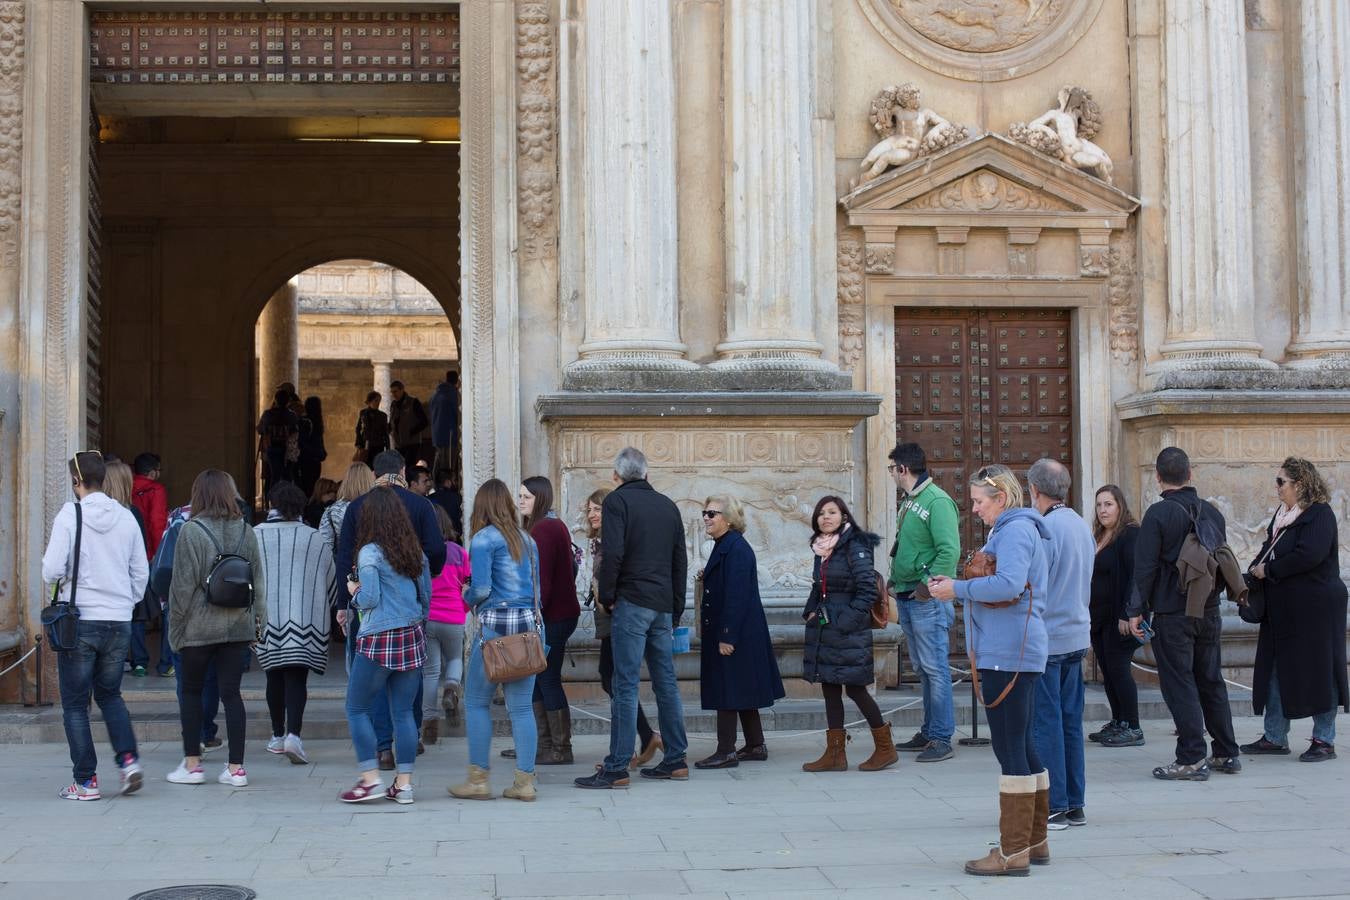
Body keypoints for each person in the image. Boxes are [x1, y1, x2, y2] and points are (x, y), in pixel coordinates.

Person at [928, 464, 1051, 876]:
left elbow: (1010, 584)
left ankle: (1013, 851)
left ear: (1001, 498)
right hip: (1014, 649)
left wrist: (957, 589)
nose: (975, 509)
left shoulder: (1015, 530)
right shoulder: (1015, 529)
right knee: (1023, 744)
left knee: (1010, 748)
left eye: (980, 501)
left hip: (1008, 652)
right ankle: (1034, 843)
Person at [574, 448, 690, 789]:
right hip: (662, 603)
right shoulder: (668, 505)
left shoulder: (617, 503)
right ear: (647, 474)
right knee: (665, 681)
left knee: (624, 684)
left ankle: (617, 766)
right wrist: (676, 606)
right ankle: (676, 759)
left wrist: (608, 596)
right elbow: (679, 559)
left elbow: (614, 553)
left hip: (632, 600)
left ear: (616, 476)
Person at [1126, 447, 1242, 781]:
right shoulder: (1212, 513)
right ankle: (1226, 752)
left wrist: (1136, 610)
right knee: (1211, 680)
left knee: (1180, 684)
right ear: (1190, 474)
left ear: (1158, 477)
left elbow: (1144, 568)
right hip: (1208, 610)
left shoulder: (1158, 514)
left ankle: (1191, 757)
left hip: (1172, 612)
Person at [42, 451, 150, 800]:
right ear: (103, 479)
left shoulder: (69, 515)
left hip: (81, 621)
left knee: (75, 704)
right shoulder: (125, 517)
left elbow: (51, 569)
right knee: (110, 695)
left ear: (76, 481)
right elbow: (140, 572)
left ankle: (86, 781)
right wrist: (125, 602)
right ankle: (129, 761)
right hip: (118, 620)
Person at [335, 450, 445, 769]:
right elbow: (436, 550)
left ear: (373, 473)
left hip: (369, 610)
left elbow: (344, 558)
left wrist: (345, 603)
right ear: (402, 469)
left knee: (373, 684)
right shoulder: (420, 504)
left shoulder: (357, 507)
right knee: (409, 678)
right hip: (409, 608)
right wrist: (423, 578)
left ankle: (382, 748)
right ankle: (411, 741)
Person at [1241, 457, 1349, 763]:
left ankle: (1324, 740)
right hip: (1285, 607)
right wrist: (1252, 570)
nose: (1276, 488)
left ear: (1299, 484)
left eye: (1281, 482)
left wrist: (1270, 570)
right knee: (1276, 668)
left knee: (1321, 671)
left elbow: (1310, 555)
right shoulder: (1284, 514)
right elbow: (1271, 546)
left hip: (1316, 607)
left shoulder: (1320, 514)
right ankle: (1275, 736)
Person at [166, 469, 266, 788]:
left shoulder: (191, 531)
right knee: (232, 695)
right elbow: (258, 584)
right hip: (237, 626)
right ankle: (236, 769)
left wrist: (175, 630)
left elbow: (181, 587)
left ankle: (193, 764)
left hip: (198, 626)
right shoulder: (246, 531)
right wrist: (257, 624)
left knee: (192, 692)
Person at [449, 478, 542, 802]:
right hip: (527, 629)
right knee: (521, 708)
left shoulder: (483, 539)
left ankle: (478, 780)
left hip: (495, 630)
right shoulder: (527, 540)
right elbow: (536, 593)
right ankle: (525, 782)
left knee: (475, 701)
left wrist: (465, 594)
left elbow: (483, 590)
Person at [339, 488, 432, 804]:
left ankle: (370, 779)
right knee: (404, 711)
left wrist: (353, 589)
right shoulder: (414, 551)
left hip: (379, 636)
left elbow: (370, 598)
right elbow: (426, 597)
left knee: (356, 707)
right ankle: (403, 786)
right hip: (411, 633)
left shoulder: (369, 553)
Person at [800, 495, 894, 773]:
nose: (825, 517)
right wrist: (810, 611)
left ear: (844, 516)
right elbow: (819, 588)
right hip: (826, 629)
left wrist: (844, 622)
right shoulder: (822, 549)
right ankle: (835, 755)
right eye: (821, 513)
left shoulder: (856, 545)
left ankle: (886, 748)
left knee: (855, 688)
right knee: (829, 687)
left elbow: (867, 590)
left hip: (847, 630)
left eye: (832, 512)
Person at [1027, 458, 1095, 831]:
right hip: (1077, 634)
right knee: (1070, 721)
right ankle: (1075, 803)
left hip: (1049, 638)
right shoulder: (1081, 525)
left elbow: (1036, 584)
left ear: (1034, 490)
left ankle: (1055, 804)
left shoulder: (1045, 528)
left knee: (1047, 721)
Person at [694, 494, 784, 769]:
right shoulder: (727, 546)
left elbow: (737, 596)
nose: (706, 518)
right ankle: (756, 745)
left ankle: (726, 750)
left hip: (735, 634)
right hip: (738, 632)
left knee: (728, 690)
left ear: (730, 520)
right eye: (705, 513)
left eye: (713, 514)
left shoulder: (736, 549)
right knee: (741, 687)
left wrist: (727, 636)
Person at [886, 442, 961, 762]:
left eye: (892, 469)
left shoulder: (937, 501)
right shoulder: (910, 500)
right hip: (905, 594)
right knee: (923, 668)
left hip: (925, 600)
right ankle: (929, 730)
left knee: (935, 668)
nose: (890, 474)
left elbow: (949, 551)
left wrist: (925, 588)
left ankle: (942, 736)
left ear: (903, 469)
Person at [255, 482, 336, 766]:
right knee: (296, 677)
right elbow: (331, 582)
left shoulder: (255, 536)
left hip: (265, 619)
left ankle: (277, 735)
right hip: (305, 618)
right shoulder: (315, 539)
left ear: (271, 504)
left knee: (273, 675)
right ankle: (294, 735)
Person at [583, 487, 662, 769]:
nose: (592, 514)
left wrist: (611, 600)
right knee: (611, 678)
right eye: (589, 509)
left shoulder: (616, 541)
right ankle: (643, 736)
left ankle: (628, 748)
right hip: (607, 619)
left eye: (598, 509)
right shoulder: (602, 541)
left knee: (614, 680)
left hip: (618, 617)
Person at [506, 475, 580, 766]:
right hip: (557, 614)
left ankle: (561, 748)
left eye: (526, 496)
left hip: (553, 617)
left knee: (547, 679)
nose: (520, 501)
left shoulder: (544, 529)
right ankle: (540, 744)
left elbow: (542, 582)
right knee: (536, 679)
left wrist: (533, 619)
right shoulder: (550, 525)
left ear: (541, 498)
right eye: (520, 495)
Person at [1088, 485, 1143, 748]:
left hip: (1119, 619)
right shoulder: (1099, 536)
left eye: (1108, 504)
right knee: (1108, 672)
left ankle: (1133, 726)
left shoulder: (1130, 534)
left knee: (1119, 671)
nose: (1102, 510)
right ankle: (1119, 721)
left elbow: (1136, 576)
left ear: (1120, 505)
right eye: (1099, 505)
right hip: (1098, 618)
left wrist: (1128, 613)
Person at [422, 505, 470, 743]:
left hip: (428, 617)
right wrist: (465, 608)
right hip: (454, 616)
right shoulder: (460, 553)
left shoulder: (421, 552)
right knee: (454, 659)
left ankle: (429, 727)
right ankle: (451, 688)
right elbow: (469, 585)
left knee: (429, 671)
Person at [104, 460, 152, 676]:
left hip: (104, 581)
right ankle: (140, 660)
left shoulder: (88, 512)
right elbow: (140, 551)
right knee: (136, 621)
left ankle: (118, 660)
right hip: (128, 579)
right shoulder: (133, 513)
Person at [320, 462, 374, 556]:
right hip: (373, 563)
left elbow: (325, 547)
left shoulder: (332, 510)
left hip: (344, 564)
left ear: (346, 481)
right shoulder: (379, 506)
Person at [256, 389, 299, 497]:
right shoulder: (292, 415)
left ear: (275, 400)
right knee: (287, 475)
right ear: (288, 401)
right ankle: (287, 499)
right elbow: (296, 431)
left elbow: (260, 429)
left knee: (274, 475)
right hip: (288, 449)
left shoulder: (268, 414)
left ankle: (273, 501)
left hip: (272, 448)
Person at [131, 452, 168, 561]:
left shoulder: (125, 486)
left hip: (127, 546)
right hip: (147, 550)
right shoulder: (156, 490)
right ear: (152, 473)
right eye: (159, 470)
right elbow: (157, 522)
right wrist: (159, 551)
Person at [389, 380, 430, 473]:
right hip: (399, 444)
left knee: (409, 468)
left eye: (395, 391)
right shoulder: (393, 405)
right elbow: (392, 421)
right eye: (392, 392)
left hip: (412, 443)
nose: (393, 394)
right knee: (399, 468)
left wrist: (411, 432)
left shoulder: (413, 402)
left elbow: (424, 422)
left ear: (402, 390)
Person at [429, 370, 459, 479]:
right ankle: (446, 486)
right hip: (450, 435)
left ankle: (437, 484)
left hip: (437, 435)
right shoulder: (453, 394)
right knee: (449, 465)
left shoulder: (435, 395)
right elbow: (458, 413)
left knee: (439, 462)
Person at [297, 396, 327, 499]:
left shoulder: (305, 421)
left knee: (305, 486)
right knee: (311, 486)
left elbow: (302, 442)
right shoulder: (314, 422)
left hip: (307, 459)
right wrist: (320, 452)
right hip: (314, 459)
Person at [355, 391, 390, 462]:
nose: (378, 403)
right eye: (376, 400)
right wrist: (358, 443)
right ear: (370, 400)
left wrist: (388, 448)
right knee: (365, 465)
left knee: (377, 466)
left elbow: (385, 433)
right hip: (365, 445)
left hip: (378, 445)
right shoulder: (363, 413)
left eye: (379, 401)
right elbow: (358, 428)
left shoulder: (383, 416)